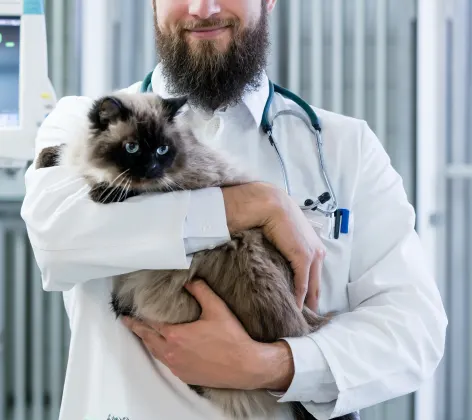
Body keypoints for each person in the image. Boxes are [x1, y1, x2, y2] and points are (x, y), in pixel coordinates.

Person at [20, 0, 447, 419]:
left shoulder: (345, 145)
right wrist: (254, 205)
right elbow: (54, 239)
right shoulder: (80, 121)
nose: (202, 9)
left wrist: (272, 366)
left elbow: (414, 331)